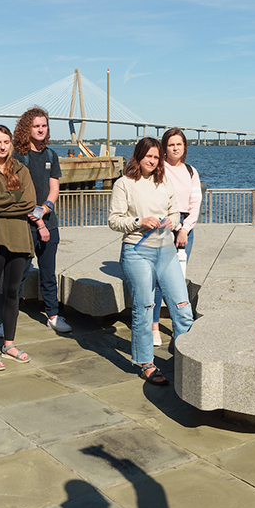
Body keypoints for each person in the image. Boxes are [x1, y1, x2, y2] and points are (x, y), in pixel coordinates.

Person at [107, 137, 194, 386]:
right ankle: (146, 363)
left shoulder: (164, 181)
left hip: (164, 248)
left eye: (156, 157)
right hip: (136, 250)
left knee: (182, 306)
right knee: (144, 308)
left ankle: (185, 359)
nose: (152, 161)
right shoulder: (124, 184)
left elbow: (175, 212)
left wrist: (173, 222)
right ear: (139, 156)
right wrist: (139, 222)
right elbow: (114, 220)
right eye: (148, 156)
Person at [0, 125, 43, 370]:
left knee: (13, 293)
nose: (2, 146)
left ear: (11, 144)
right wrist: (15, 199)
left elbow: (31, 202)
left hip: (18, 237)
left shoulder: (21, 169)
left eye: (6, 142)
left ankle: (9, 344)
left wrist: (2, 204)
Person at [10, 107, 71, 333]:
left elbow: (54, 188)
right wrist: (37, 220)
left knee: (48, 273)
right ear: (27, 128)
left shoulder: (51, 155)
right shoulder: (18, 156)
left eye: (44, 126)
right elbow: (16, 192)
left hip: (49, 222)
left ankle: (53, 315)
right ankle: (8, 319)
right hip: (24, 225)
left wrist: (45, 209)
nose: (40, 130)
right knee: (18, 274)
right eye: (36, 126)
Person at [152, 128, 202, 348]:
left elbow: (195, 203)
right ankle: (153, 326)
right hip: (162, 226)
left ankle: (178, 327)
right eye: (171, 144)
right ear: (164, 147)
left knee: (177, 281)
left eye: (179, 144)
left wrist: (185, 229)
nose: (175, 148)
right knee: (158, 281)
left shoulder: (191, 172)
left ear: (184, 147)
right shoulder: (158, 169)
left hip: (185, 227)